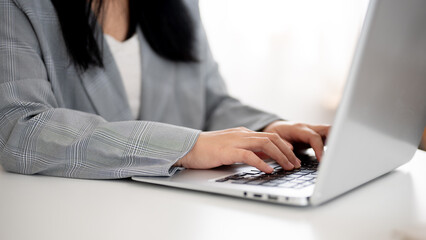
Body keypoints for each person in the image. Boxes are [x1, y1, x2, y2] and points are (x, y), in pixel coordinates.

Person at [0, 0, 329, 179]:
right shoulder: (19, 6)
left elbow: (209, 102)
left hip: (170, 216)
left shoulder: (180, 5)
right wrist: (186, 147)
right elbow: (20, 129)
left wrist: (268, 130)